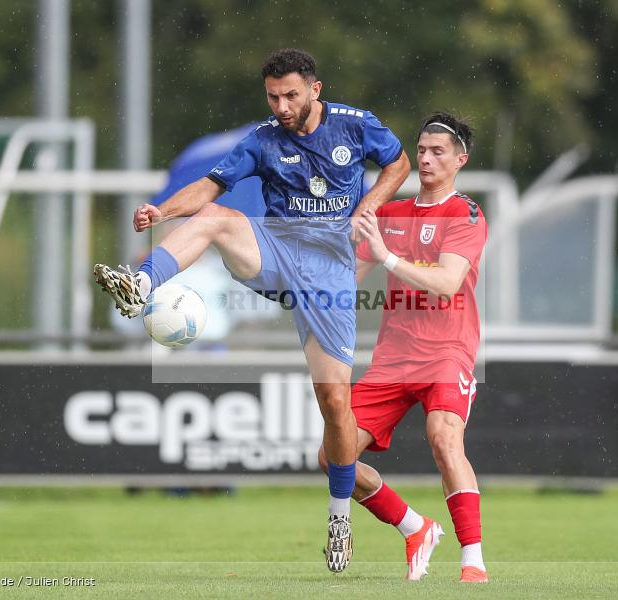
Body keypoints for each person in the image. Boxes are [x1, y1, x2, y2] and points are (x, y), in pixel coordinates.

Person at [93, 48, 410, 573]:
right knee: (216, 215)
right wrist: (162, 211)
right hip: (275, 250)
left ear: (315, 89)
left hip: (330, 272)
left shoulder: (356, 127)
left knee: (334, 406)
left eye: (290, 95)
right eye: (272, 96)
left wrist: (370, 204)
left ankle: (338, 517)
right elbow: (210, 186)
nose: (281, 106)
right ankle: (141, 282)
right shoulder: (263, 139)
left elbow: (397, 162)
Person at [318, 112, 489, 582]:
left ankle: (472, 561)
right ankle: (415, 526)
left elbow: (447, 282)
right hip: (392, 358)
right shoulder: (390, 215)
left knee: (443, 435)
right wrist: (300, 294)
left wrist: (388, 255)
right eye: (422, 150)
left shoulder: (465, 213)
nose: (427, 158)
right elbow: (342, 284)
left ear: (460, 160)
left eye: (438, 152)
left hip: (447, 350)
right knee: (334, 454)